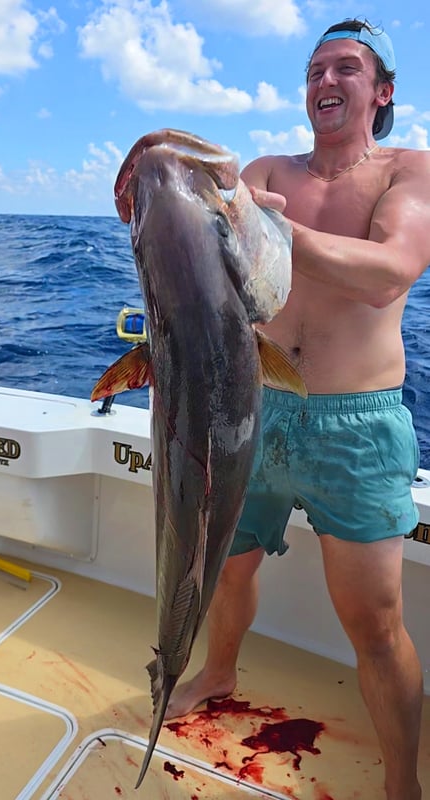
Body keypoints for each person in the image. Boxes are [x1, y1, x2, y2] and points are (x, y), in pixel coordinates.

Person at [165, 18, 430, 800]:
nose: (326, 81)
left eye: (346, 68)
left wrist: (267, 223)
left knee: (374, 623)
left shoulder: (409, 171)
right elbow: (218, 269)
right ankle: (217, 671)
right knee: (226, 570)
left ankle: (403, 784)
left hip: (358, 425)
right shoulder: (266, 169)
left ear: (381, 91)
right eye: (315, 68)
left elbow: (389, 271)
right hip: (258, 406)